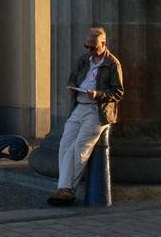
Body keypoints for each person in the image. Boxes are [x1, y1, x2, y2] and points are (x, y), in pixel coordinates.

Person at [47, 27, 124, 205]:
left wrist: (98, 94)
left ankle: (66, 190)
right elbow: (72, 77)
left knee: (80, 148)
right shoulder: (84, 59)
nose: (89, 50)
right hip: (79, 106)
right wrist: (72, 86)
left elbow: (118, 92)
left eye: (93, 47)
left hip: (97, 111)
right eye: (86, 46)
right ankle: (63, 187)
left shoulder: (113, 64)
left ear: (103, 44)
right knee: (66, 144)